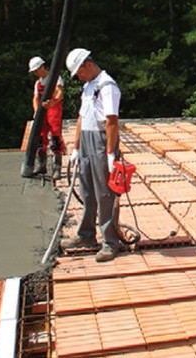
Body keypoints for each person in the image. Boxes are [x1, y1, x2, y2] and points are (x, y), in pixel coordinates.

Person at [61, 48, 123, 262]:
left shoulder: (108, 86)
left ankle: (110, 242)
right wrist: (76, 148)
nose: (78, 76)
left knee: (104, 193)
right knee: (86, 190)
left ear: (88, 64)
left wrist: (110, 154)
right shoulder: (88, 87)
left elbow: (111, 122)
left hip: (101, 142)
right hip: (87, 142)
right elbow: (80, 118)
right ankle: (86, 236)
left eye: (79, 71)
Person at [28, 56, 65, 177]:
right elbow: (35, 98)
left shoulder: (55, 78)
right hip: (42, 113)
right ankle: (42, 165)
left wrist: (52, 103)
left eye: (36, 70)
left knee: (55, 138)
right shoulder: (38, 83)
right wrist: (36, 111)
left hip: (54, 112)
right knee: (40, 138)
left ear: (42, 67)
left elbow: (60, 93)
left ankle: (57, 167)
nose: (35, 73)